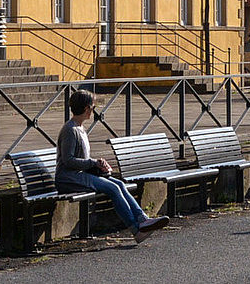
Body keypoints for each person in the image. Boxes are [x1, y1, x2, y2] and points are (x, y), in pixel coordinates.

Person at [56, 89, 169, 243]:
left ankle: (142, 219)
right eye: (93, 107)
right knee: (113, 188)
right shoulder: (70, 130)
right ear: (86, 108)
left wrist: (98, 165)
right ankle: (136, 230)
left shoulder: (79, 128)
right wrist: (93, 163)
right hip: (68, 178)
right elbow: (68, 161)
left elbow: (81, 159)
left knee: (119, 184)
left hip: (78, 175)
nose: (93, 111)